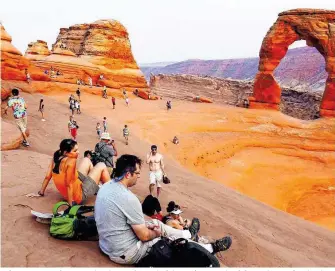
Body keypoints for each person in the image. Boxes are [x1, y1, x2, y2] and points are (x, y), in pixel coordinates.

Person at [95, 154, 232, 265]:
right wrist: (157, 234)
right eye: (137, 173)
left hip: (107, 244)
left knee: (156, 224)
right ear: (127, 174)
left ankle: (188, 234)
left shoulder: (106, 186)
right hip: (125, 252)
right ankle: (209, 248)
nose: (138, 176)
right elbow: (144, 236)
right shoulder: (129, 198)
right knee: (172, 243)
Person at [38, 139, 110, 205]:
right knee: (101, 165)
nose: (78, 152)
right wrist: (70, 205)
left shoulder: (56, 156)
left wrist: (41, 192)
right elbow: (69, 185)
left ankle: (94, 187)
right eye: (75, 151)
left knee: (86, 160)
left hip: (73, 187)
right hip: (78, 196)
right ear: (66, 152)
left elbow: (48, 176)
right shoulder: (70, 162)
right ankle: (112, 193)